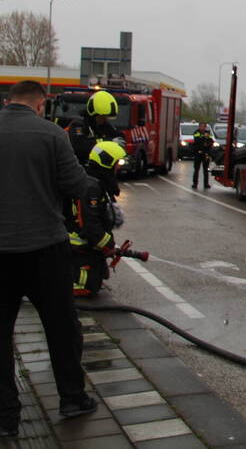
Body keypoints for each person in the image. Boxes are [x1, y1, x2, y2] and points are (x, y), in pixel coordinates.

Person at [0, 81, 98, 438]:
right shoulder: (51, 134)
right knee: (61, 327)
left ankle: (6, 417)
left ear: (8, 101)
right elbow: (75, 184)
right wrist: (95, 184)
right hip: (45, 249)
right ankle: (72, 398)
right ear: (40, 104)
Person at [66, 142, 126, 298]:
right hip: (78, 246)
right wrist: (108, 244)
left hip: (87, 246)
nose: (117, 169)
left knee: (97, 280)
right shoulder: (91, 188)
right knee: (87, 287)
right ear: (106, 162)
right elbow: (90, 224)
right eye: (116, 165)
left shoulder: (96, 183)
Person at [64, 89, 121, 200]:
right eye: (102, 117)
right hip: (82, 177)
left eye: (106, 117)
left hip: (101, 179)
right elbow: (79, 147)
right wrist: (106, 143)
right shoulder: (78, 126)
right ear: (93, 114)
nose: (104, 120)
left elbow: (117, 137)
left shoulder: (104, 126)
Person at [191, 122, 214, 189]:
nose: (202, 128)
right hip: (198, 153)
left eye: (204, 126)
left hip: (205, 153)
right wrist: (204, 140)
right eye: (201, 126)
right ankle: (195, 184)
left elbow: (211, 141)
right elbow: (197, 140)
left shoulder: (208, 133)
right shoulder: (196, 132)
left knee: (206, 170)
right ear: (199, 127)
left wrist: (207, 143)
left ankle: (206, 184)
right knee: (196, 169)